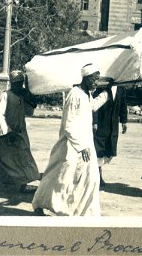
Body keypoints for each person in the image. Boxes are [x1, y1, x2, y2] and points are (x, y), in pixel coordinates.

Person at [32, 63, 110, 216]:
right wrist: (80, 146)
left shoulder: (86, 94)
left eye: (98, 80)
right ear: (86, 78)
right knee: (60, 178)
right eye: (94, 79)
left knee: (91, 178)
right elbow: (68, 125)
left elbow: (92, 106)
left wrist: (108, 91)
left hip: (85, 144)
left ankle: (83, 212)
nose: (96, 83)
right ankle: (39, 203)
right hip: (71, 145)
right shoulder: (74, 94)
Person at [0, 70, 40, 193]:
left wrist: (31, 98)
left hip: (19, 132)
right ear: (12, 83)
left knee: (23, 157)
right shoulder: (6, 95)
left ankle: (24, 184)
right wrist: (6, 131)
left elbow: (29, 112)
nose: (19, 85)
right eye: (17, 83)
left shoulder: (22, 95)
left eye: (21, 82)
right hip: (5, 132)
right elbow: (0, 114)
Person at [92, 85, 128, 187]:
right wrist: (94, 122)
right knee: (98, 149)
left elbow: (123, 105)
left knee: (109, 149)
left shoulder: (121, 88)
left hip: (113, 125)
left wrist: (124, 122)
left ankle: (98, 174)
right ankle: (97, 176)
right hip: (101, 123)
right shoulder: (101, 87)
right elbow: (94, 104)